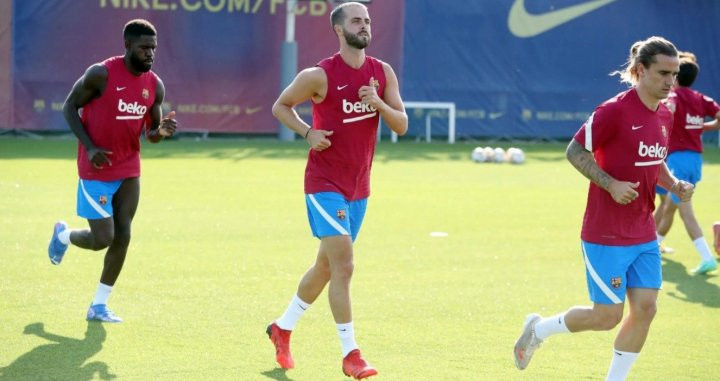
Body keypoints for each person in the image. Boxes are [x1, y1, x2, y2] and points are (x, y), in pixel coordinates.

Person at [513, 36, 693, 380]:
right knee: (606, 317)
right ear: (640, 71)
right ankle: (539, 330)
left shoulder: (665, 113)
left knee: (646, 308)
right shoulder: (613, 111)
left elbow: (655, 161)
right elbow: (575, 152)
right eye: (663, 73)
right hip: (605, 234)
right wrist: (610, 184)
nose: (671, 82)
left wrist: (675, 185)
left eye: (675, 73)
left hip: (643, 231)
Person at [268, 2, 407, 379]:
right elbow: (281, 106)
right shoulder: (319, 75)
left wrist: (377, 102)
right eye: (356, 21)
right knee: (344, 265)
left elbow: (402, 124)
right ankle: (351, 355)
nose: (364, 26)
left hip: (359, 187)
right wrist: (307, 133)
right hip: (323, 184)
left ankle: (282, 327)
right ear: (338, 29)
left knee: (326, 267)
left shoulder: (383, 72)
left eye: (367, 21)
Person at [47, 19, 177, 323]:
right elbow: (69, 107)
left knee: (124, 235)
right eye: (144, 48)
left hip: (129, 167)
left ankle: (99, 305)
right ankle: (64, 236)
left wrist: (163, 131)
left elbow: (151, 134)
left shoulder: (154, 85)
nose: (150, 54)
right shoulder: (100, 74)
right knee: (103, 238)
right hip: (96, 168)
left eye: (154, 49)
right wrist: (89, 147)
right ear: (128, 45)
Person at [653, 51, 720, 275]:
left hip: (678, 159)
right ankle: (652, 247)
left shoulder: (674, 96)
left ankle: (706, 257)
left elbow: (667, 109)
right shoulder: (700, 98)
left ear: (676, 76)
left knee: (685, 211)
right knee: (670, 207)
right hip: (695, 161)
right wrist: (703, 127)